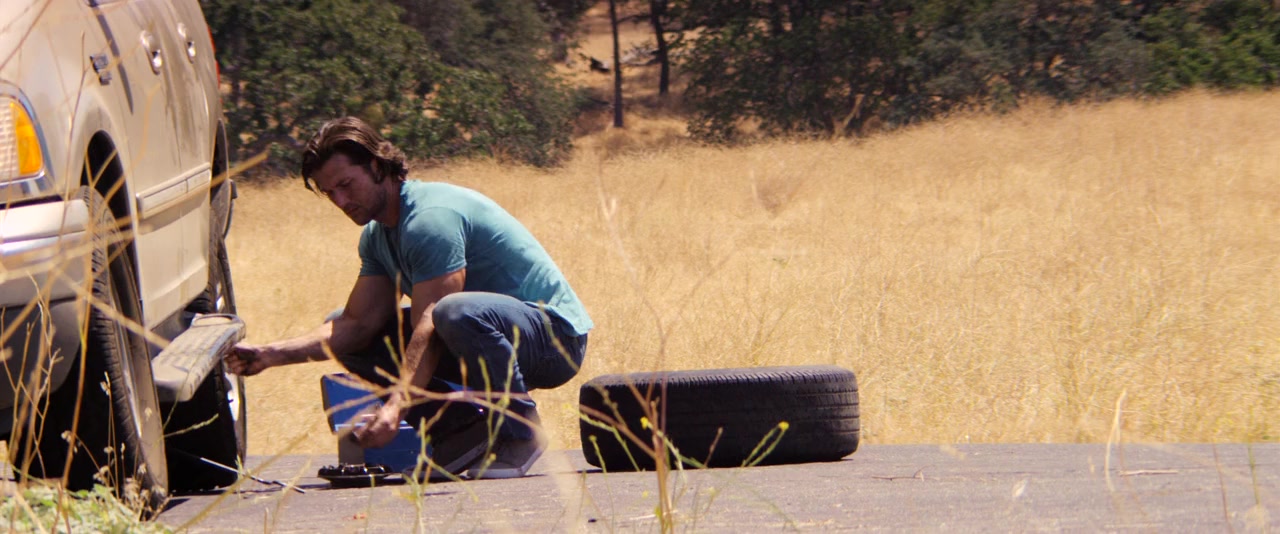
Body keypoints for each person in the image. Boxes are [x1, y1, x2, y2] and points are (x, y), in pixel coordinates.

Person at [225, 116, 592, 480]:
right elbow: (357, 325)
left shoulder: (429, 221)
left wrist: (396, 407)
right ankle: (461, 431)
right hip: (481, 338)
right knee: (348, 330)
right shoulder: (377, 236)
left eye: (346, 185)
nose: (340, 200)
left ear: (376, 166)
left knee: (453, 311)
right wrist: (270, 354)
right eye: (329, 192)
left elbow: (431, 322)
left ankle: (519, 432)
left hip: (554, 341)